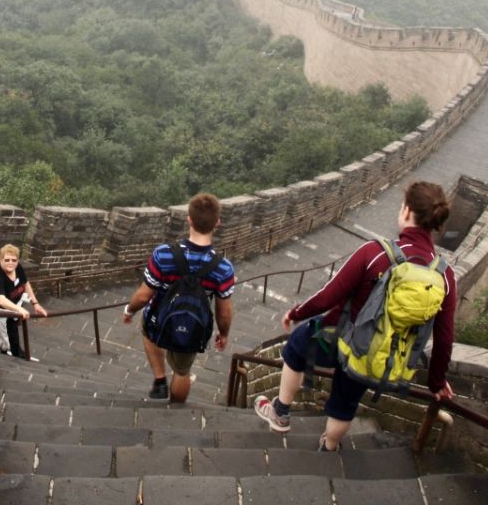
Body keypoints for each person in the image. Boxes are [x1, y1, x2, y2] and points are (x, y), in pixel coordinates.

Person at [253, 181, 457, 451]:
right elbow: (444, 338)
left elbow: (329, 296)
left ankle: (280, 413)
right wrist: (436, 382)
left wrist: (297, 313)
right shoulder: (444, 276)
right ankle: (330, 447)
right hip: (378, 358)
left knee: (296, 346)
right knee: (345, 403)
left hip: (338, 338)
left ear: (407, 211)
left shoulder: (376, 254)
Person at [122, 193, 235, 402]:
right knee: (183, 371)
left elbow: (144, 295)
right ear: (217, 223)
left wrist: (129, 310)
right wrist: (224, 333)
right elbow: (224, 311)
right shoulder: (223, 268)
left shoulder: (163, 254)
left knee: (147, 329)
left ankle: (159, 380)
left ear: (189, 219)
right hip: (192, 327)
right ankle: (175, 408)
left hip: (158, 319)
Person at [0, 244, 47, 360]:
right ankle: (4, 353)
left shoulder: (17, 268)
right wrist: (19, 310)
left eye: (14, 260)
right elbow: (1, 300)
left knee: (12, 332)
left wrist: (35, 303)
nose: (11, 263)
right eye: (7, 260)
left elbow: (25, 284)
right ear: (0, 260)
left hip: (12, 308)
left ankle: (16, 353)